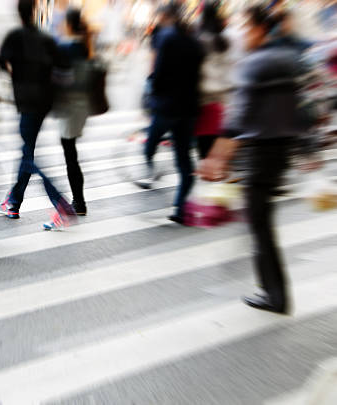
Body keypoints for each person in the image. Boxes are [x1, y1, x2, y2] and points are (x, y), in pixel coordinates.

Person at [198, 6, 315, 314]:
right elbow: (302, 110)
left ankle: (274, 295)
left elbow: (237, 118)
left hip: (260, 153)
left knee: (260, 224)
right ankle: (270, 289)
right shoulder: (288, 60)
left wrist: (215, 158)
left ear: (260, 30)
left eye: (246, 27)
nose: (242, 34)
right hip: (281, 152)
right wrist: (307, 150)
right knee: (260, 220)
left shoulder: (252, 65)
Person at [0, 0, 76, 230]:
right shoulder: (46, 38)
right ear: (35, 12)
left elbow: (1, 62)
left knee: (28, 156)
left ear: (18, 13)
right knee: (27, 151)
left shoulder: (14, 36)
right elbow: (65, 68)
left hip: (26, 102)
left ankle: (60, 203)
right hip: (44, 102)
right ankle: (13, 203)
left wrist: (17, 71)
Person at [135, 3, 204, 224]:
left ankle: (151, 170)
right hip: (189, 108)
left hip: (166, 106)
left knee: (150, 143)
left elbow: (160, 72)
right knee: (184, 161)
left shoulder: (167, 38)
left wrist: (152, 93)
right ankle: (180, 207)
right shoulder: (196, 43)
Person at [53, 8, 91, 216]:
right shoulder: (83, 45)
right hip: (81, 105)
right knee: (71, 151)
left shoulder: (66, 47)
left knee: (70, 155)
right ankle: (79, 200)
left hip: (69, 106)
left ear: (68, 24)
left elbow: (62, 77)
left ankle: (79, 201)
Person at [194, 1, 233, 159]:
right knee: (218, 153)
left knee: (204, 152)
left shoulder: (200, 40)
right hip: (222, 101)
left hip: (203, 101)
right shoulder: (224, 40)